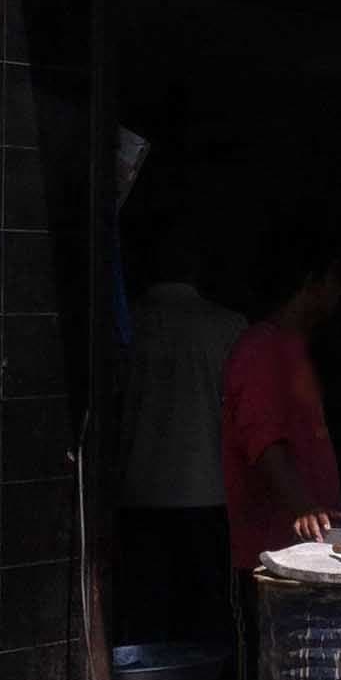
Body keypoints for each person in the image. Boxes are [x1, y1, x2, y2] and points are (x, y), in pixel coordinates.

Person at [221, 229, 341, 657]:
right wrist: (304, 509)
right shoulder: (261, 350)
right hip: (268, 556)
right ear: (311, 283)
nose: (338, 293)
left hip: (307, 554)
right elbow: (264, 443)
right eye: (333, 281)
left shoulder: (295, 350)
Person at [117, 248, 246, 641]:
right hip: (206, 490)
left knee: (146, 614)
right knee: (207, 613)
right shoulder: (228, 327)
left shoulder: (128, 325)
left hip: (137, 490)